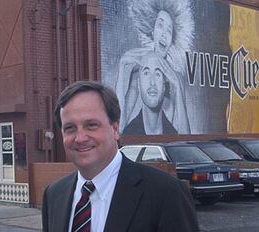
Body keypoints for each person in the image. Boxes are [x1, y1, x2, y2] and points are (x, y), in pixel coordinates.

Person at [41, 81, 198, 232]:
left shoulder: (165, 192)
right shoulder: (54, 195)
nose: (80, 138)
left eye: (91, 125)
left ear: (115, 129)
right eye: (70, 128)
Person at [115, 0, 193, 134]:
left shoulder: (176, 78)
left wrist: (177, 88)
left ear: (172, 39)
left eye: (169, 30)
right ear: (153, 32)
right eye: (160, 26)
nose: (164, 34)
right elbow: (120, 126)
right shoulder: (137, 73)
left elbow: (183, 136)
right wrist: (122, 68)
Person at [122, 53, 185, 135]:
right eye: (146, 73)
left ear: (164, 87)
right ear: (138, 85)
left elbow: (186, 140)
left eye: (157, 74)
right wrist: (122, 65)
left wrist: (177, 88)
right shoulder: (129, 133)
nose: (152, 82)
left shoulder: (172, 133)